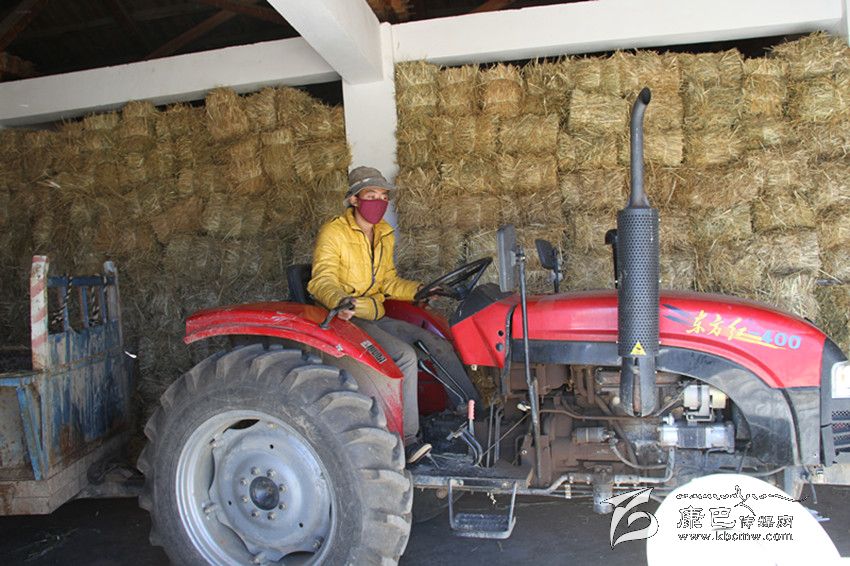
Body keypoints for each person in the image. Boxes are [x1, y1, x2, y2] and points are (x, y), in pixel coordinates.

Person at [307, 166, 475, 465]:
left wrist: (420, 290)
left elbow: (388, 282)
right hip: (350, 316)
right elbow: (321, 279)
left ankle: (471, 413)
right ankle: (408, 441)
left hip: (377, 314)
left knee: (436, 343)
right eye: (371, 196)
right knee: (404, 356)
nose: (379, 202)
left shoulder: (383, 233)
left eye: (384, 196)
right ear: (354, 199)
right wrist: (339, 301)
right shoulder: (334, 232)